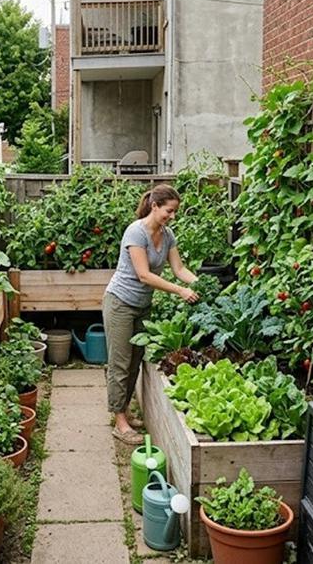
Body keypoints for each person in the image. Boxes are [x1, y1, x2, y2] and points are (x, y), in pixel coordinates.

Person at [103, 184, 201, 444]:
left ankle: (124, 411)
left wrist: (199, 284)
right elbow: (144, 275)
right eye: (169, 211)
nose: (172, 216)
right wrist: (180, 291)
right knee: (120, 363)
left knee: (135, 360)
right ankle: (119, 420)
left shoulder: (167, 236)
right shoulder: (136, 232)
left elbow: (179, 269)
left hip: (142, 305)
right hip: (120, 303)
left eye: (175, 212)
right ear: (154, 206)